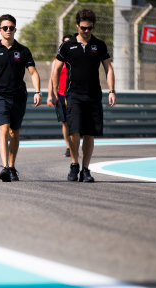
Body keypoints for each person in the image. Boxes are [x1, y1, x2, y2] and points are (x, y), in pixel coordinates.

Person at [50, 9, 116, 182]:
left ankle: (85, 169)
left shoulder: (99, 45)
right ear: (77, 25)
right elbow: (55, 69)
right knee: (74, 131)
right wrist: (55, 92)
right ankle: (74, 164)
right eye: (83, 28)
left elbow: (108, 68)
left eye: (90, 28)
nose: (86, 31)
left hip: (93, 95)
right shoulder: (67, 46)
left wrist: (111, 90)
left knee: (89, 133)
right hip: (73, 95)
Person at [0, 14, 42, 182]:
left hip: (19, 97)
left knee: (14, 133)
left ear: (15, 29)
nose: (8, 30)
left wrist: (38, 92)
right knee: (3, 130)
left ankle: (12, 166)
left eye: (11, 28)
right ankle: (5, 167)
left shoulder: (23, 51)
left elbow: (33, 72)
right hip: (0, 96)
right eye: (5, 28)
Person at [47, 34, 74, 158]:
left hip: (73, 94)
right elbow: (51, 79)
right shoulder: (57, 61)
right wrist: (50, 95)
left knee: (75, 122)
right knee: (65, 122)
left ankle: (75, 144)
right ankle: (69, 146)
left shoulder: (76, 58)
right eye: (65, 42)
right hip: (61, 95)